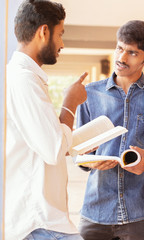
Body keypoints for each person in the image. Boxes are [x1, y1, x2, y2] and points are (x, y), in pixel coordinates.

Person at [76, 20, 144, 240]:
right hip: (95, 211)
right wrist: (90, 160)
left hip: (141, 211)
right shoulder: (89, 93)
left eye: (132, 53)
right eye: (119, 48)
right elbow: (78, 152)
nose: (121, 58)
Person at [5, 0, 87, 239]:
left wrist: (73, 143)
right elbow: (53, 148)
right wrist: (70, 102)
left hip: (42, 219)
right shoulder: (23, 81)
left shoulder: (22, 78)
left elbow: (41, 143)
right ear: (43, 31)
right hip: (37, 221)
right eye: (60, 34)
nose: (61, 43)